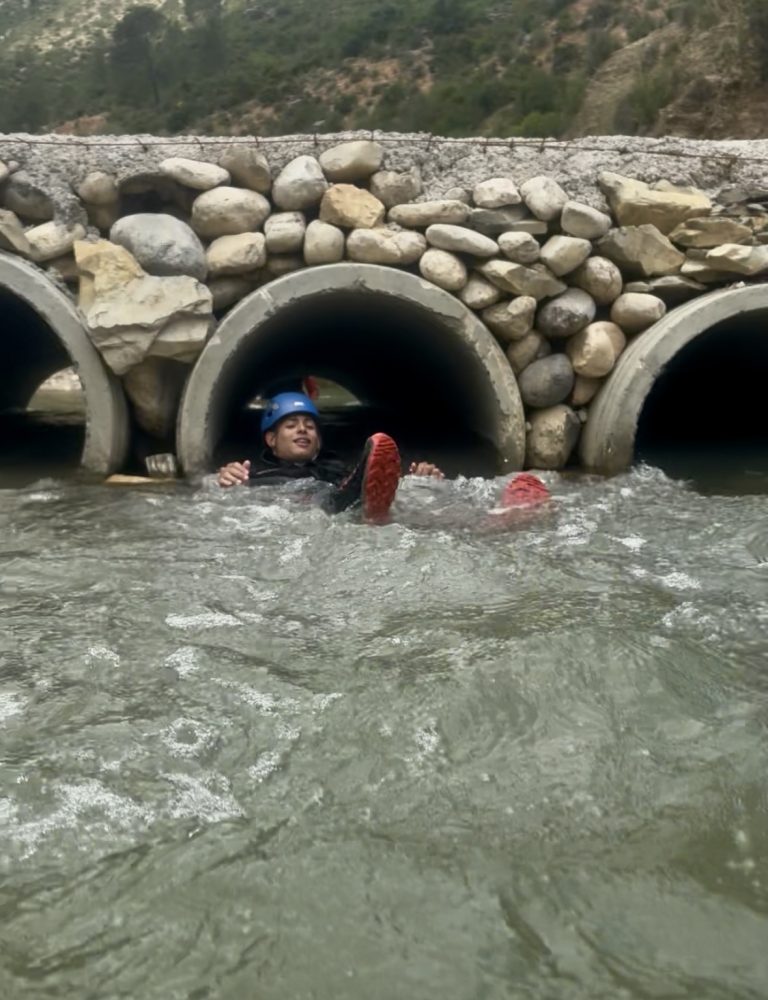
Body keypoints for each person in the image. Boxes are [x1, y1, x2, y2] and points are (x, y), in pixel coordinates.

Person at [217, 391, 550, 523]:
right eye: (291, 426)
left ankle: (500, 514)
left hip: (339, 498)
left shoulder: (333, 466)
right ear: (271, 439)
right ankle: (365, 502)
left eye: (310, 426)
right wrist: (226, 481)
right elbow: (228, 499)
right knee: (339, 503)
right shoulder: (253, 474)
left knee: (420, 501)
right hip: (303, 509)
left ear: (319, 439)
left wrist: (419, 483)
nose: (303, 430)